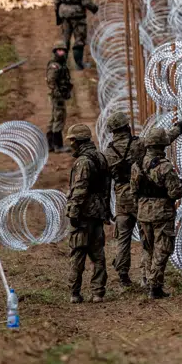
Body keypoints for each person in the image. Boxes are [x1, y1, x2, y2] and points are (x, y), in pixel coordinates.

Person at [129, 121, 182, 299]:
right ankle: (155, 286)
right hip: (162, 213)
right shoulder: (165, 167)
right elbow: (175, 192)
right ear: (163, 145)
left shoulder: (137, 165)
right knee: (163, 249)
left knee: (148, 247)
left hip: (143, 211)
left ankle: (147, 279)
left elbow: (133, 191)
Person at [65, 124, 110, 303]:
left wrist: (74, 212)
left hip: (84, 214)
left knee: (78, 253)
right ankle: (98, 292)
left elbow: (80, 189)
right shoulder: (100, 157)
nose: (71, 145)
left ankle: (74, 293)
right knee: (98, 255)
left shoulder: (83, 162)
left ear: (78, 141)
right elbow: (106, 187)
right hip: (97, 212)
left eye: (72, 141)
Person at [101, 110, 137, 288]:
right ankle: (149, 275)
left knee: (123, 238)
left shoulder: (108, 153)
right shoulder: (139, 145)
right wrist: (181, 127)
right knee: (147, 236)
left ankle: (123, 275)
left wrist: (106, 208)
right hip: (140, 196)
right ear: (126, 127)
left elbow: (105, 183)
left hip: (122, 199)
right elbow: (162, 141)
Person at [54, 0, 98, 70]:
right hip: (77, 15)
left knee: (65, 39)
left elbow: (56, 0)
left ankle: (61, 64)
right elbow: (86, 2)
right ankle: (79, 64)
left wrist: (58, 15)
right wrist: (95, 9)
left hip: (64, 13)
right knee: (79, 39)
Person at [46, 43, 73, 153]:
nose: (61, 53)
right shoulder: (55, 66)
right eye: (59, 50)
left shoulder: (61, 65)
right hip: (57, 97)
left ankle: (51, 144)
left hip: (58, 95)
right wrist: (59, 93)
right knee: (59, 118)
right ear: (55, 52)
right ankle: (58, 145)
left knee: (54, 118)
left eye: (63, 50)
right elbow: (51, 81)